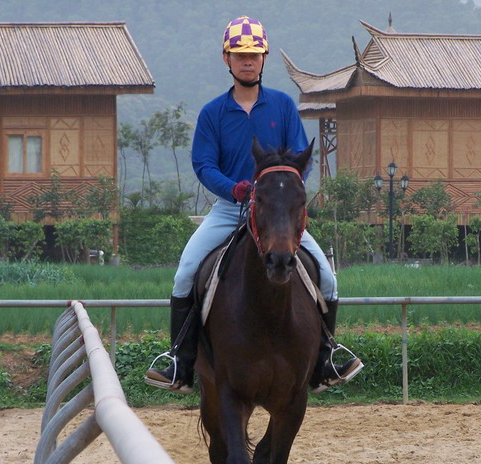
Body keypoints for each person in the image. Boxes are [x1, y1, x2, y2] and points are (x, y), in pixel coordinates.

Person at [145, 15, 363, 394]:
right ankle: (180, 360)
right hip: (231, 209)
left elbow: (301, 157)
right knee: (185, 273)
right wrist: (235, 190)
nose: (248, 61)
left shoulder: (281, 105)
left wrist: (283, 190)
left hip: (276, 214)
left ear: (263, 60)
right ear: (226, 59)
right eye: (240, 55)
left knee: (326, 277)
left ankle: (326, 356)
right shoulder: (213, 113)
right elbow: (203, 165)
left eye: (254, 55)